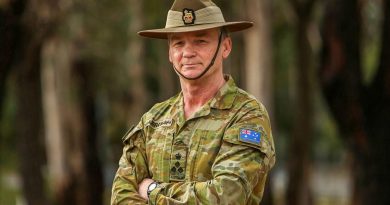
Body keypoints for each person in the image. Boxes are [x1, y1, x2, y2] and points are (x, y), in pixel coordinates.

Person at [111, 0, 276, 204]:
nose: (188, 52)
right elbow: (121, 195)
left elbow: (226, 196)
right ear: (170, 53)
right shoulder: (153, 120)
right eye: (178, 43)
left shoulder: (246, 114)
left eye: (201, 41)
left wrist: (152, 189)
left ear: (225, 47)